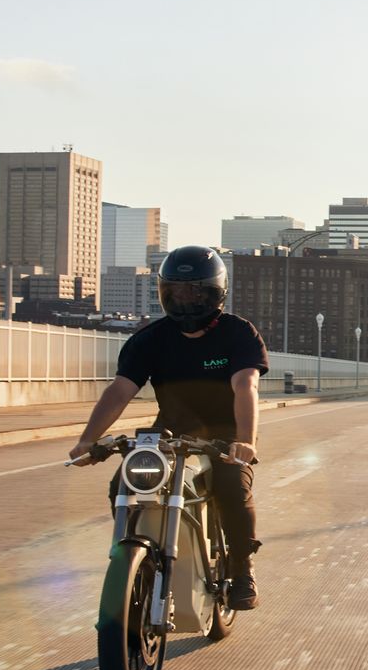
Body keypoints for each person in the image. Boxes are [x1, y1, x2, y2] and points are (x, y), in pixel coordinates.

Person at [69, 245, 267, 610]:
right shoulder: (150, 340)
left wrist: (245, 441)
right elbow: (120, 391)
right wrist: (88, 440)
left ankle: (242, 567)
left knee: (232, 488)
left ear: (215, 291)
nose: (185, 298)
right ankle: (136, 559)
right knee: (125, 482)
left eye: (195, 290)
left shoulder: (238, 334)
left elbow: (246, 386)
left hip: (226, 432)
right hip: (170, 431)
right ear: (163, 292)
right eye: (175, 290)